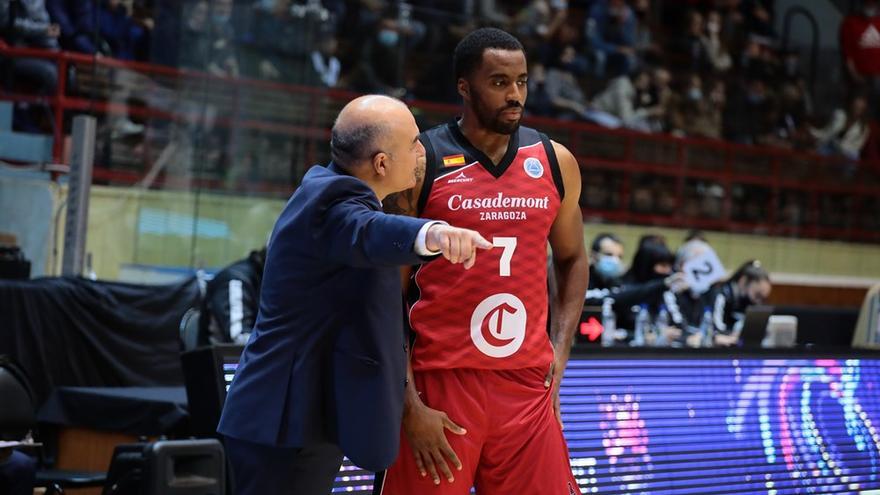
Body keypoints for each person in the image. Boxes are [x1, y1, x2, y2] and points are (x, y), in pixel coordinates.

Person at [216, 95, 493, 495]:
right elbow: (369, 231)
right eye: (414, 144)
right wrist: (433, 233)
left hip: (303, 415)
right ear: (382, 164)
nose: (423, 152)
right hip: (284, 420)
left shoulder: (330, 190)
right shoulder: (332, 202)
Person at [381, 28, 589, 495]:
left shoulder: (555, 161)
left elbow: (574, 259)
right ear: (464, 87)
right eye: (499, 82)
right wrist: (408, 403)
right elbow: (384, 293)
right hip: (441, 384)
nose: (514, 95)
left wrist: (560, 353)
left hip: (525, 385)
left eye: (522, 81)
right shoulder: (422, 163)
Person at [198, 247, 266, 346]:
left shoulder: (265, 278)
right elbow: (239, 338)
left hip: (248, 357)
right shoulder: (235, 280)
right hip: (220, 359)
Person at [709, 259, 772, 346]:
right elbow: (716, 329)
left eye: (763, 298)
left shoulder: (751, 302)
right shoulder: (721, 295)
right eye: (757, 295)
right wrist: (731, 335)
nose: (759, 301)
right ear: (743, 281)